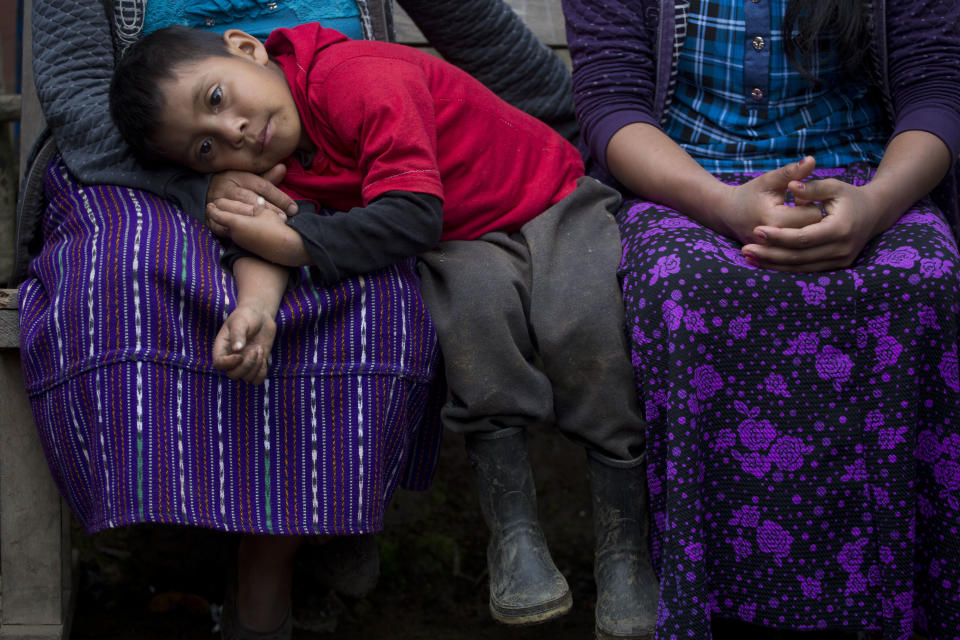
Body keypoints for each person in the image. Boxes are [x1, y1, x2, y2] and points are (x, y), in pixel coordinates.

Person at [108, 22, 659, 638]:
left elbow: (405, 217)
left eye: (216, 99)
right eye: (205, 150)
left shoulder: (356, 78)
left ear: (246, 49)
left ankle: (624, 550)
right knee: (474, 324)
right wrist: (255, 310)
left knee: (584, 327)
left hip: (551, 198)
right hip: (465, 238)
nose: (230, 132)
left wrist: (292, 243)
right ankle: (515, 535)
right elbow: (266, 242)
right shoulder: (273, 152)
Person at [562, 0, 960, 638]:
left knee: (921, 279)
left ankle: (895, 605)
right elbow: (612, 105)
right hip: (689, 187)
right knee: (687, 292)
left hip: (865, 182)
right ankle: (716, 607)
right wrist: (723, 206)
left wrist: (876, 206)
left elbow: (935, 88)